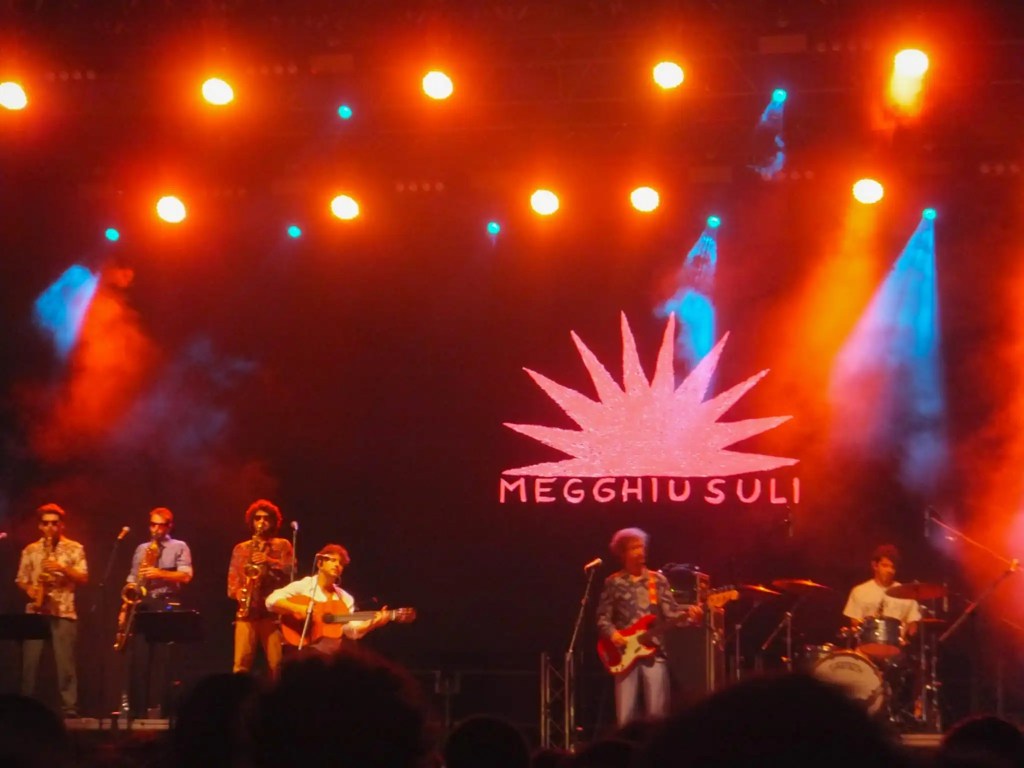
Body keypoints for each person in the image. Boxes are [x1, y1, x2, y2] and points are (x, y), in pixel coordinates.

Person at [595, 527, 702, 726]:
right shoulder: (613, 582)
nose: (640, 552)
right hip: (624, 655)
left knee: (657, 717)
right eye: (634, 548)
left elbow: (672, 614)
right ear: (623, 553)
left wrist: (692, 618)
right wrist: (614, 634)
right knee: (625, 718)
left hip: (655, 654)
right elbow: (602, 617)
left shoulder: (657, 580)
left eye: (642, 547)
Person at [14, 503, 88, 718]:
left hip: (63, 610)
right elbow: (21, 579)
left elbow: (83, 577)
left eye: (55, 523)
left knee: (65, 664)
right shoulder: (30, 550)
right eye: (46, 524)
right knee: (29, 664)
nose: (50, 528)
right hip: (37, 611)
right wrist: (32, 590)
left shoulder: (75, 548)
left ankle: (69, 708)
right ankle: (25, 706)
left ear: (62, 525)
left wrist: (62, 568)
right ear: (40, 526)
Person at [121, 507, 193, 717]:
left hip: (166, 603)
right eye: (152, 525)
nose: (155, 529)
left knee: (164, 660)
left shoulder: (179, 546)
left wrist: (159, 573)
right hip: (142, 604)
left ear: (169, 526)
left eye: (160, 525)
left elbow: (186, 576)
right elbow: (132, 577)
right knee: (139, 659)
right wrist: (125, 606)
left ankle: (164, 710)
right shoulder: (141, 548)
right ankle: (137, 711)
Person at [265, 543, 392, 655]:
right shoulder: (305, 585)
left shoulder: (345, 598)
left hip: (330, 657)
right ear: (320, 563)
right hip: (302, 651)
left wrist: (372, 624)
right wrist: (298, 608)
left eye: (341, 563)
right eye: (333, 560)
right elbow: (271, 600)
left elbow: (350, 630)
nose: (337, 565)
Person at [227, 499, 294, 677]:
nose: (261, 522)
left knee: (277, 664)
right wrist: (241, 593)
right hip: (247, 612)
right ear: (252, 521)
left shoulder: (283, 545)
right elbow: (232, 580)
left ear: (273, 521)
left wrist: (269, 561)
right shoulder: (241, 548)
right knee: (241, 664)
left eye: (266, 518)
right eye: (257, 518)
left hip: (272, 613)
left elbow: (291, 570)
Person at [842, 544, 921, 642]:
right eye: (885, 566)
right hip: (867, 644)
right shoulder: (859, 591)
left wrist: (911, 630)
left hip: (897, 646)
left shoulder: (906, 593)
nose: (889, 570)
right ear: (875, 565)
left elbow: (913, 622)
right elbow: (855, 622)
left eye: (892, 567)